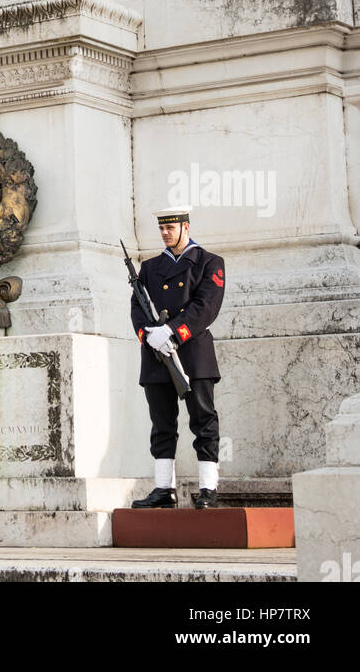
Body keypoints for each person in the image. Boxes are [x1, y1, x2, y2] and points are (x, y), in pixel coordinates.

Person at [130, 208, 225, 509]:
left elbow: (206, 306)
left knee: (203, 420)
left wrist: (172, 331)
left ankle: (208, 489)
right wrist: (150, 336)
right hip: (157, 354)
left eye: (171, 228)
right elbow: (137, 307)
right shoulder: (150, 268)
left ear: (186, 227)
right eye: (162, 229)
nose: (165, 233)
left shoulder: (209, 263)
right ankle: (162, 489)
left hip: (192, 352)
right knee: (161, 423)